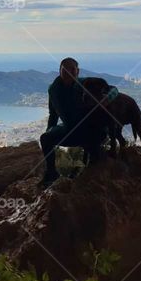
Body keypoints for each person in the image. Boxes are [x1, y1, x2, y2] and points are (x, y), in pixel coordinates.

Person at [39, 57, 118, 186]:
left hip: (90, 131)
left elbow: (114, 89)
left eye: (72, 69)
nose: (69, 72)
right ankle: (51, 174)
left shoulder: (84, 84)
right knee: (45, 138)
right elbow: (53, 115)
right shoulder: (53, 90)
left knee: (95, 160)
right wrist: (49, 130)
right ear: (59, 71)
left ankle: (91, 176)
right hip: (70, 130)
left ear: (78, 71)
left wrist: (106, 98)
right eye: (65, 69)